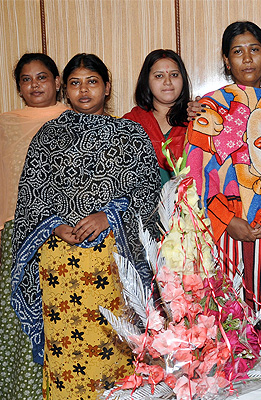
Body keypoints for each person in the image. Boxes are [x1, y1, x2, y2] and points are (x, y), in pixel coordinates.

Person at [11, 53, 160, 399]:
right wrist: (54, 226)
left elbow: (147, 191)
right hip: (61, 267)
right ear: (65, 89)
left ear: (107, 87)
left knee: (114, 356)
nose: (84, 90)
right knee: (67, 360)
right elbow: (32, 195)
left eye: (92, 82)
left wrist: (108, 216)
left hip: (112, 264)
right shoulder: (48, 136)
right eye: (75, 83)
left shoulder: (129, 134)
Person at [186, 21, 261, 352]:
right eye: (238, 51)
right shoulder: (210, 106)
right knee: (227, 322)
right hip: (223, 226)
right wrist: (227, 219)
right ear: (226, 60)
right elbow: (198, 173)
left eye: (254, 50)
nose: (247, 58)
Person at [0, 53, 67, 400]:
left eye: (42, 77)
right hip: (15, 233)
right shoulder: (6, 124)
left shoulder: (75, 119)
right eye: (26, 80)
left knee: (59, 314)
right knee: (16, 318)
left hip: (64, 234)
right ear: (18, 88)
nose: (35, 85)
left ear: (57, 82)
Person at [123, 49, 191, 186]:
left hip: (189, 204)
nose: (168, 82)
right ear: (146, 81)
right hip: (141, 205)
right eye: (159, 76)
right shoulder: (130, 123)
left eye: (174, 75)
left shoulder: (195, 119)